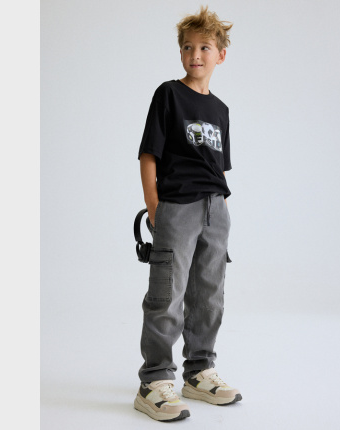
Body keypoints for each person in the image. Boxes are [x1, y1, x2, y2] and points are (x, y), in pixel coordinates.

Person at [133, 5, 242, 422]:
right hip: (176, 207)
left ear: (221, 55)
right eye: (187, 47)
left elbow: (219, 168)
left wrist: (223, 214)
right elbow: (149, 154)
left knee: (209, 295)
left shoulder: (221, 110)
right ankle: (155, 380)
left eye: (204, 47)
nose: (195, 54)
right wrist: (154, 206)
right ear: (180, 52)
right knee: (167, 294)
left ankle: (199, 372)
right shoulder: (168, 94)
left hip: (216, 208)